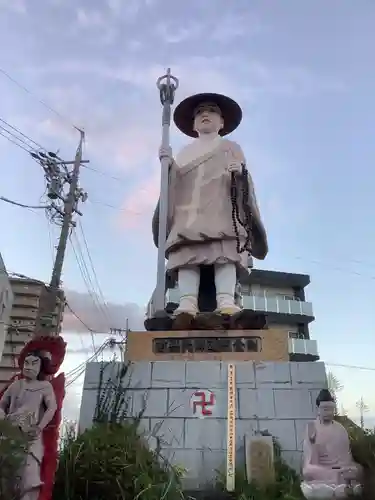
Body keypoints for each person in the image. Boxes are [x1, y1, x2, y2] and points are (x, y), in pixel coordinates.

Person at [152, 92, 268, 320]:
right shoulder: (185, 152)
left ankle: (225, 299)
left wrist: (240, 174)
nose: (205, 114)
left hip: (221, 209)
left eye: (212, 111)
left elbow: (243, 180)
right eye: (199, 112)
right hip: (189, 213)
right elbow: (173, 183)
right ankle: (187, 303)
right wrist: (167, 164)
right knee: (187, 256)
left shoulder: (230, 147)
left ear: (222, 122)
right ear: (193, 124)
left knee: (223, 254)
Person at [0, 350, 57, 500]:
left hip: (30, 436)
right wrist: (4, 420)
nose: (29, 366)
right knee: (7, 475)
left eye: (34, 363)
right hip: (10, 434)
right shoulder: (16, 385)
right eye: (26, 362)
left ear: (41, 367)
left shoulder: (45, 386)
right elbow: (1, 405)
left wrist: (39, 427)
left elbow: (52, 408)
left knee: (29, 474)